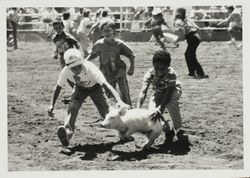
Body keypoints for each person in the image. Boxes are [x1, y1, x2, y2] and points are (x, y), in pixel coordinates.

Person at [47, 48, 126, 146]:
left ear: (82, 62)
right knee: (73, 107)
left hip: (95, 88)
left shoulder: (90, 68)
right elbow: (58, 87)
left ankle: (124, 131)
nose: (76, 70)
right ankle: (67, 133)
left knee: (106, 112)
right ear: (68, 66)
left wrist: (119, 100)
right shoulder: (66, 71)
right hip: (79, 89)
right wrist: (51, 104)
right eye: (73, 68)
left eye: (78, 66)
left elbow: (106, 85)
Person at [137, 50, 188, 145]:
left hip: (173, 90)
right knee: (152, 113)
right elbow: (143, 91)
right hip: (158, 93)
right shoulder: (149, 74)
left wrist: (160, 108)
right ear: (153, 66)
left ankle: (179, 129)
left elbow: (169, 93)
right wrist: (138, 108)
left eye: (163, 69)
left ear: (168, 67)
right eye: (157, 68)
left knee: (172, 102)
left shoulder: (172, 74)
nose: (159, 71)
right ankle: (168, 130)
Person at [86, 21, 135, 107]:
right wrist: (84, 65)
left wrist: (132, 68)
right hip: (106, 72)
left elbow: (131, 55)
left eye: (109, 30)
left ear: (114, 31)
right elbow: (91, 56)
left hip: (119, 69)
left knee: (124, 90)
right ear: (101, 33)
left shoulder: (119, 44)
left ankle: (128, 108)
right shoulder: (99, 44)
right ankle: (108, 110)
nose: (107, 33)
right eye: (104, 31)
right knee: (107, 92)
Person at [173, 7, 209, 79]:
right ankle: (192, 72)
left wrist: (175, 41)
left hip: (192, 39)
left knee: (190, 56)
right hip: (195, 38)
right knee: (189, 55)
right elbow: (198, 28)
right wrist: (200, 38)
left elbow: (183, 36)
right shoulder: (187, 20)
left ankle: (199, 73)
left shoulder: (178, 22)